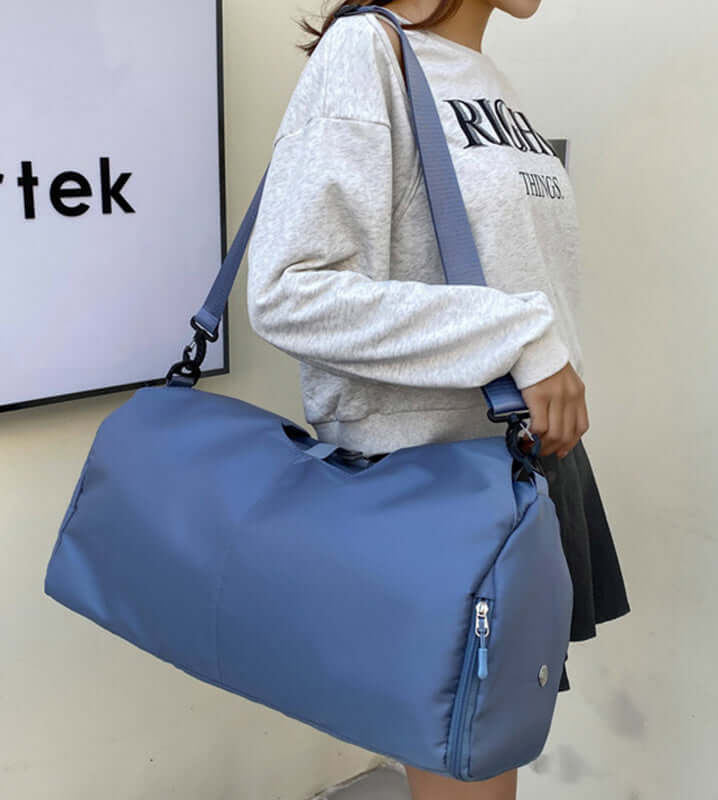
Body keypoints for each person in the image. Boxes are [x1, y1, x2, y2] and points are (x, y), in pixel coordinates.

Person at [246, 1, 631, 797]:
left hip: (515, 473)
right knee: (472, 770)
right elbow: (289, 291)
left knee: (487, 761)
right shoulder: (367, 50)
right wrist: (517, 337)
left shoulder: (483, 76)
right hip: (434, 485)